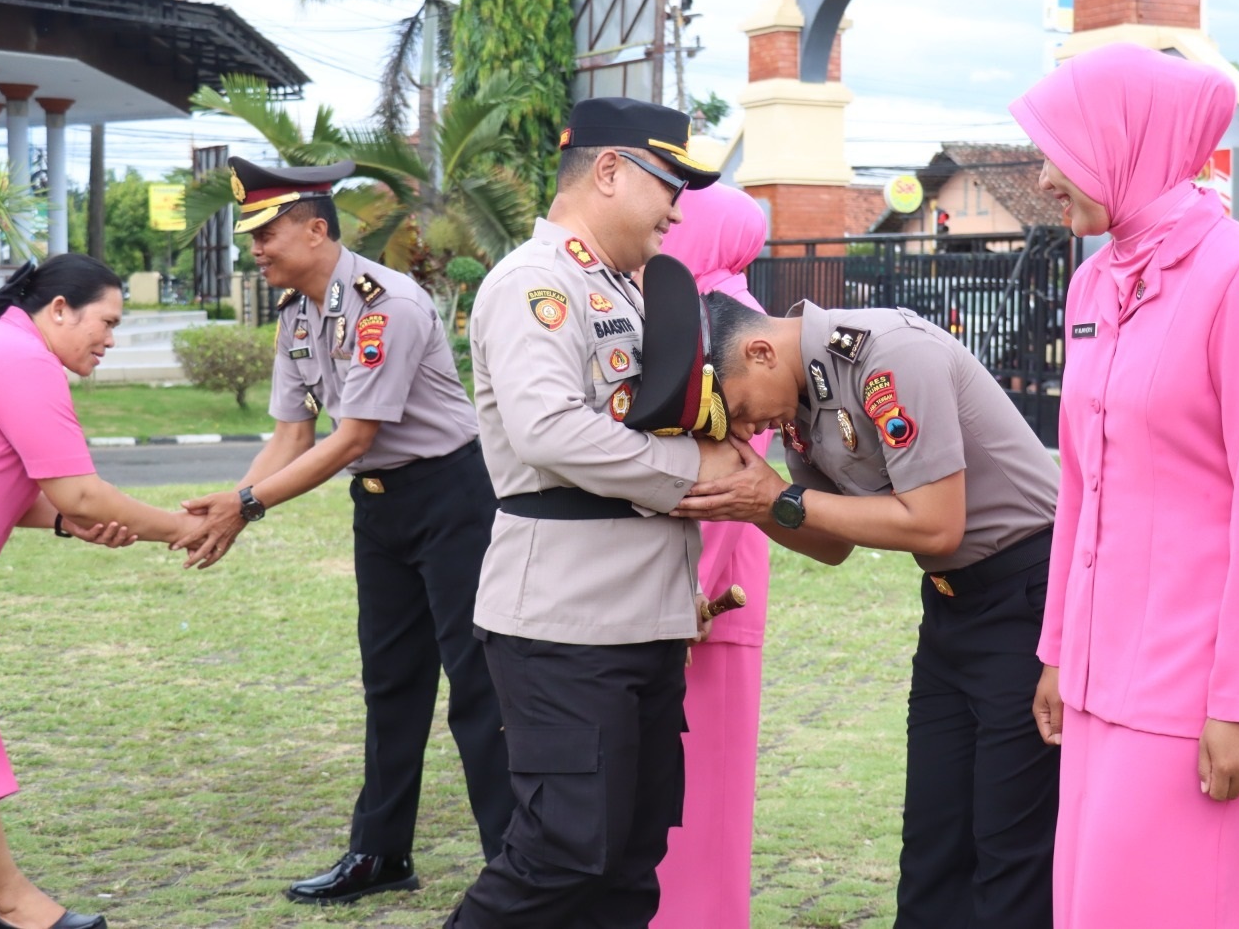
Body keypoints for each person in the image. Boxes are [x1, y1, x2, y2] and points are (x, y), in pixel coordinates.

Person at [1013, 43, 1239, 927]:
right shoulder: (1093, 281)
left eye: (1059, 151)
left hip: (1200, 681)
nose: (1043, 178)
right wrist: (1058, 652)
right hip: (1101, 667)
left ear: (1126, 143)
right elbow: (1081, 483)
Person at [660, 268, 1063, 927]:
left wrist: (780, 497)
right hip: (953, 608)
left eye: (737, 410)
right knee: (932, 847)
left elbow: (935, 524)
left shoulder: (888, 357)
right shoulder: (798, 400)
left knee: (1010, 852)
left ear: (760, 352)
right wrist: (755, 503)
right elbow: (831, 544)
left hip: (1028, 601)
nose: (747, 428)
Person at [178, 158, 512, 905]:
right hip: (381, 507)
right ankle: (381, 854)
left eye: (266, 234)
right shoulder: (297, 315)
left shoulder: (386, 305)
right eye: (252, 237)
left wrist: (247, 505)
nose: (255, 250)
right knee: (390, 683)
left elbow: (353, 435)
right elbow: (292, 436)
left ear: (315, 230)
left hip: (453, 497)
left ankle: (513, 865)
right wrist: (232, 507)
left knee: (477, 685)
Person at [446, 97, 739, 929]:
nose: (676, 211)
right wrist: (695, 472)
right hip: (566, 624)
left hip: (640, 617)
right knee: (564, 852)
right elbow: (548, 429)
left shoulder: (625, 288)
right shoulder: (536, 283)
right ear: (609, 171)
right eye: (669, 186)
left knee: (628, 864)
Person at [0, 255, 214, 929]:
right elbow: (80, 492)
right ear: (59, 310)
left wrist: (66, 523)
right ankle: (12, 904)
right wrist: (185, 528)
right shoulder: (24, 361)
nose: (110, 339)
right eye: (107, 321)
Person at [648, 182, 773, 929]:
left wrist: (691, 588)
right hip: (694, 581)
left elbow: (730, 479)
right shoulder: (693, 307)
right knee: (684, 789)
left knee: (703, 793)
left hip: (709, 593)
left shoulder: (720, 320)